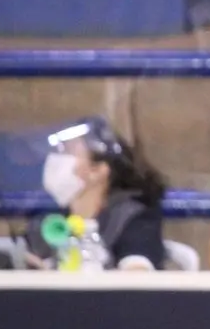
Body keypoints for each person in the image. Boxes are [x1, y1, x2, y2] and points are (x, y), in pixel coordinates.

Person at [26, 116, 169, 271]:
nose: (55, 160)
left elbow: (137, 276)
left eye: (68, 152)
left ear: (98, 170)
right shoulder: (51, 220)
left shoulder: (132, 219)